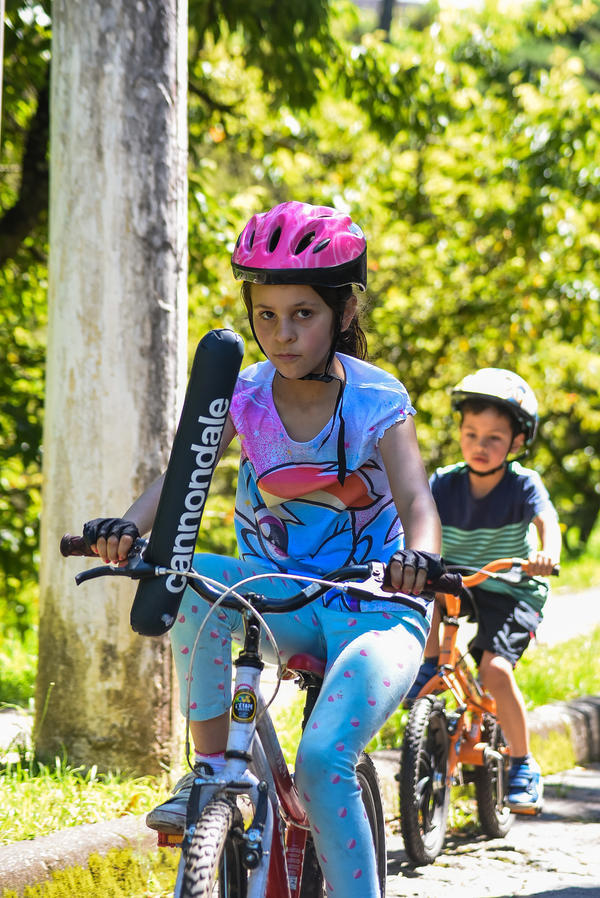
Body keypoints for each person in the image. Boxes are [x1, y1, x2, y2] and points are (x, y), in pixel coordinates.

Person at [83, 201, 443, 898]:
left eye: (303, 314)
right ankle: (214, 770)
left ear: (341, 313)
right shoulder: (243, 394)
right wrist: (127, 527)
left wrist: (420, 560)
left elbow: (417, 502)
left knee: (322, 759)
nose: (282, 333)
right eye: (266, 314)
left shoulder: (377, 398)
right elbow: (181, 472)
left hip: (375, 605)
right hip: (274, 592)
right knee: (189, 577)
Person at [406, 368, 561, 814]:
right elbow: (413, 517)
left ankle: (522, 761)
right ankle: (430, 664)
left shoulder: (523, 484)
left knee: (494, 669)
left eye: (494, 437)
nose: (480, 444)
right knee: (425, 586)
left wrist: (546, 555)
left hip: (513, 588)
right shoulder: (444, 481)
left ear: (517, 442)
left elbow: (546, 521)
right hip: (459, 580)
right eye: (471, 433)